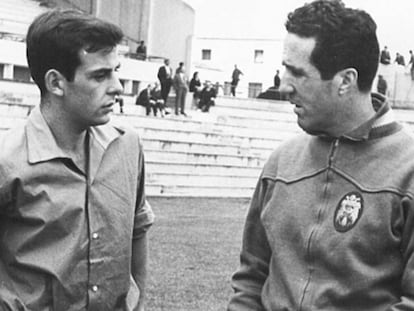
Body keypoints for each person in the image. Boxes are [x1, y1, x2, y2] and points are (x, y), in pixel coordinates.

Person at [228, 1, 414, 310]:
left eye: (298, 73)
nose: (283, 86)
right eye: (284, 68)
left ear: (345, 81)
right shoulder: (281, 162)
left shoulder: (409, 171)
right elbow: (251, 278)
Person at [0, 9, 154, 311]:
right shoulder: (7, 161)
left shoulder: (127, 145)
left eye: (116, 71)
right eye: (100, 75)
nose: (118, 87)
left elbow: (138, 228)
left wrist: (140, 300)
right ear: (56, 83)